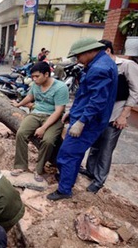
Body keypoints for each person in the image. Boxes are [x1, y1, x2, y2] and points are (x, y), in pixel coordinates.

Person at [47, 37, 118, 201]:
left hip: (89, 122)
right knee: (75, 153)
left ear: (89, 51)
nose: (77, 60)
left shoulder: (99, 68)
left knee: (67, 154)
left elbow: (97, 100)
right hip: (86, 116)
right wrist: (73, 113)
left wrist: (81, 121)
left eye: (78, 56)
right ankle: (67, 178)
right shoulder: (102, 62)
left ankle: (64, 190)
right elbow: (87, 95)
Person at [79, 39, 138, 193]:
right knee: (95, 145)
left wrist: (124, 115)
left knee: (106, 149)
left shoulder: (126, 66)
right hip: (99, 114)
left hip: (115, 113)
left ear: (107, 51)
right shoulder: (97, 67)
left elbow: (135, 91)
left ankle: (99, 180)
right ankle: (90, 170)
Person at [11, 61, 69, 182]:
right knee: (21, 133)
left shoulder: (60, 87)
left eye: (37, 76)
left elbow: (58, 111)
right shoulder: (35, 85)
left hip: (53, 116)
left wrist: (43, 128)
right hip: (36, 114)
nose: (34, 79)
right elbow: (30, 97)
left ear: (46, 74)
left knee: (48, 141)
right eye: (33, 76)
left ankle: (39, 169)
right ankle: (20, 165)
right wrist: (18, 104)